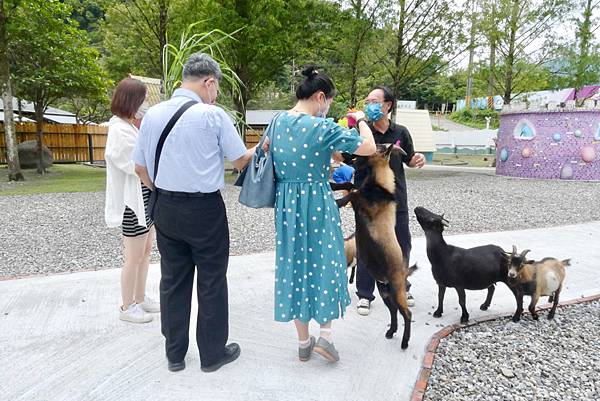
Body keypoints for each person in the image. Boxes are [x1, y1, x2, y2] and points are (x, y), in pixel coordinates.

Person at [133, 53, 256, 373]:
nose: (216, 95)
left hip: (165, 207)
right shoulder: (212, 116)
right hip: (203, 209)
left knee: (173, 280)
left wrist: (160, 192)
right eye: (216, 89)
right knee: (211, 280)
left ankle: (175, 354)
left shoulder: (153, 114)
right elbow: (241, 161)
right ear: (209, 82)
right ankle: (212, 354)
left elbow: (139, 167)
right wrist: (264, 146)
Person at [271, 65, 376, 363]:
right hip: (316, 202)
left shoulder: (277, 122)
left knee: (295, 266)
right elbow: (367, 148)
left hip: (287, 206)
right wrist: (361, 121)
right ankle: (326, 338)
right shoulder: (322, 127)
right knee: (326, 263)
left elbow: (269, 152)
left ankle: (304, 342)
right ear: (320, 97)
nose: (328, 106)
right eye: (329, 101)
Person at [354, 85, 425, 316]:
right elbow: (346, 158)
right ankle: (365, 294)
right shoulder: (361, 133)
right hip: (368, 202)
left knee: (401, 245)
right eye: (367, 101)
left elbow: (410, 160)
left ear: (388, 105)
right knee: (366, 247)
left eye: (374, 101)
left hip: (396, 202)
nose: (369, 105)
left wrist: (417, 159)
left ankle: (401, 286)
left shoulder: (401, 132)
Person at [105, 77, 160, 324]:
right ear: (131, 101)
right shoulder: (118, 130)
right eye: (142, 99)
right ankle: (127, 306)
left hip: (143, 198)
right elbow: (138, 167)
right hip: (133, 202)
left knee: (146, 251)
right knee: (133, 256)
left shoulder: (130, 127)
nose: (145, 104)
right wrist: (156, 188)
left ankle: (140, 298)